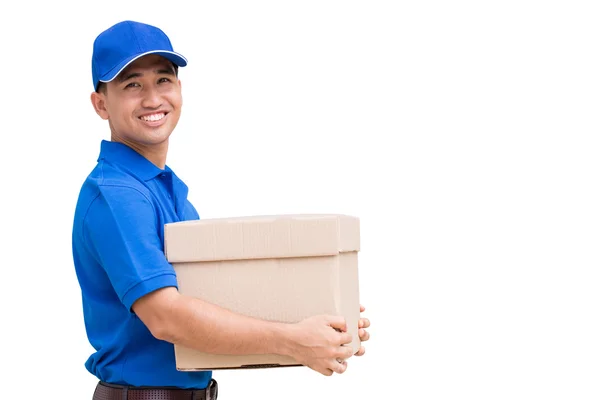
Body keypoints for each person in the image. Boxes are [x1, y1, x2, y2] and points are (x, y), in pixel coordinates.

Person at [72, 20, 371, 400]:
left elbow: (209, 310)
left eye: (163, 80)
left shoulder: (169, 193)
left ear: (179, 89)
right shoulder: (117, 195)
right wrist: (292, 339)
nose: (152, 98)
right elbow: (168, 318)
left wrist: (322, 323)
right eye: (132, 85)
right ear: (101, 104)